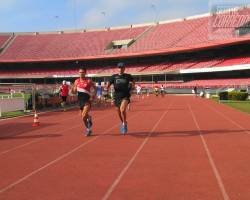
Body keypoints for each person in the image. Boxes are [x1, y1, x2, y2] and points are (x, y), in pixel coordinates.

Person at [107, 62, 135, 135]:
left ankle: (124, 124)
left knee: (122, 110)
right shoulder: (113, 76)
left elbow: (133, 83)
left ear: (124, 68)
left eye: (122, 67)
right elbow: (108, 84)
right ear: (117, 68)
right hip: (117, 96)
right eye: (119, 67)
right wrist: (106, 88)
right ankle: (123, 122)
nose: (120, 69)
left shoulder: (128, 76)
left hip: (125, 95)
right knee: (118, 112)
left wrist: (132, 86)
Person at [71, 67, 96, 136]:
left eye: (82, 72)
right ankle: (89, 129)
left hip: (87, 100)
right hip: (80, 101)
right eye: (80, 72)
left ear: (85, 73)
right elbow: (74, 92)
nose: (81, 74)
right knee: (83, 117)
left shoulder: (89, 81)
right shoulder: (76, 81)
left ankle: (88, 124)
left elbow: (95, 88)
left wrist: (93, 96)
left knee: (83, 116)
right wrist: (72, 90)